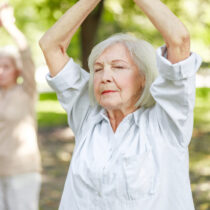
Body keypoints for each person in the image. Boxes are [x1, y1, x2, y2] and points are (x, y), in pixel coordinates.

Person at [39, 0, 202, 209]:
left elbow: (179, 40)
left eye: (118, 67)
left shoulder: (167, 123)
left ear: (143, 78)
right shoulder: (86, 115)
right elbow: (50, 45)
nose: (105, 76)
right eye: (97, 69)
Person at [0, 3, 41, 210]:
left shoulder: (27, 91)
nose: (0, 71)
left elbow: (26, 55)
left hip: (22, 171)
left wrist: (9, 26)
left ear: (17, 70)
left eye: (5, 66)